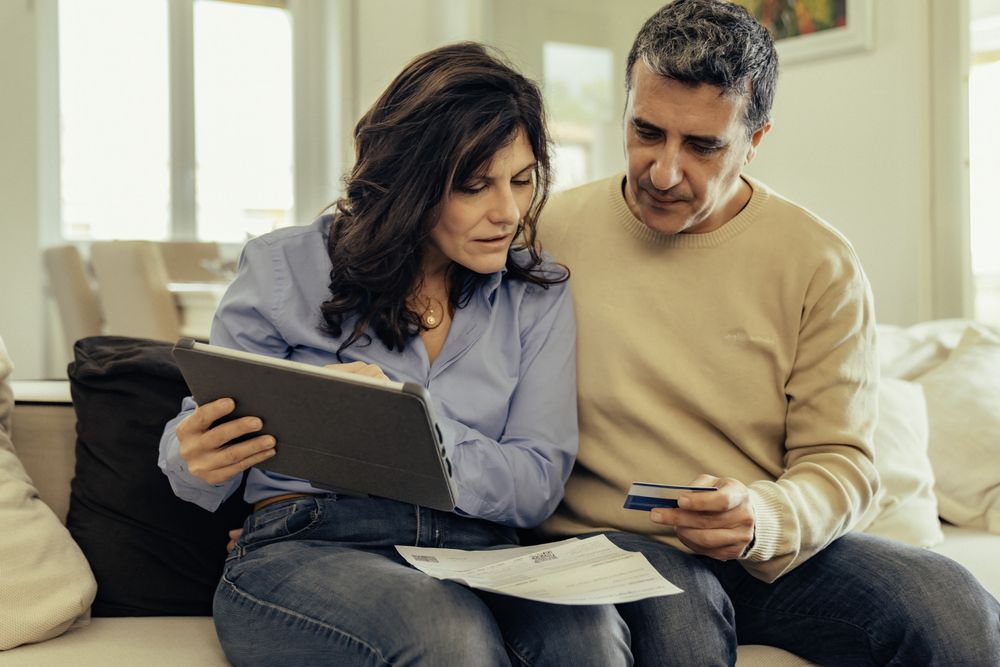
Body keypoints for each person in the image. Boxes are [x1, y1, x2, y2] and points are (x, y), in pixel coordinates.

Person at [533, 1, 1000, 665]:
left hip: (768, 554)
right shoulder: (549, 233)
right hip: (612, 546)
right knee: (680, 622)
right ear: (626, 110)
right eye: (646, 131)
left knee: (954, 608)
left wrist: (763, 516)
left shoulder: (818, 262)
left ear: (756, 140)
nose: (664, 171)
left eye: (703, 145)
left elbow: (843, 461)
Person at [158, 42, 630, 666]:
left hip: (479, 550)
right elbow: (202, 437)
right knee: (447, 634)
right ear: (411, 183)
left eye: (522, 180)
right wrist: (190, 454)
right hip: (311, 543)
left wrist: (417, 422)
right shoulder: (284, 266)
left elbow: (536, 483)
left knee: (588, 633)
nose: (509, 212)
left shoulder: (535, 294)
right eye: (474, 186)